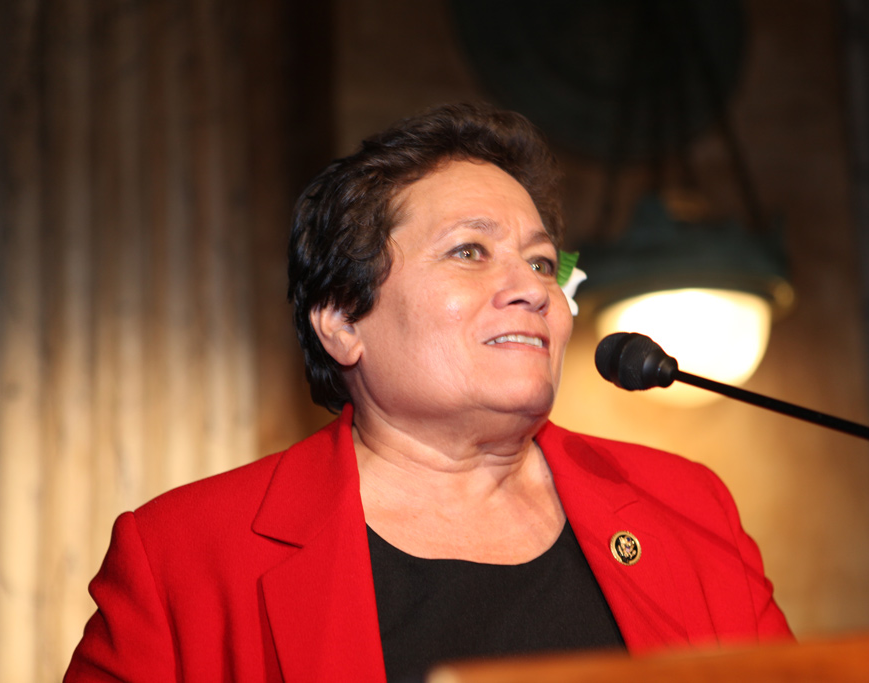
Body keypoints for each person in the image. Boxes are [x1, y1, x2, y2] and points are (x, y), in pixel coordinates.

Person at [65, 102, 791, 682]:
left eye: (543, 262)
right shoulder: (183, 557)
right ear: (344, 321)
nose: (531, 289)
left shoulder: (689, 510)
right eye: (469, 251)